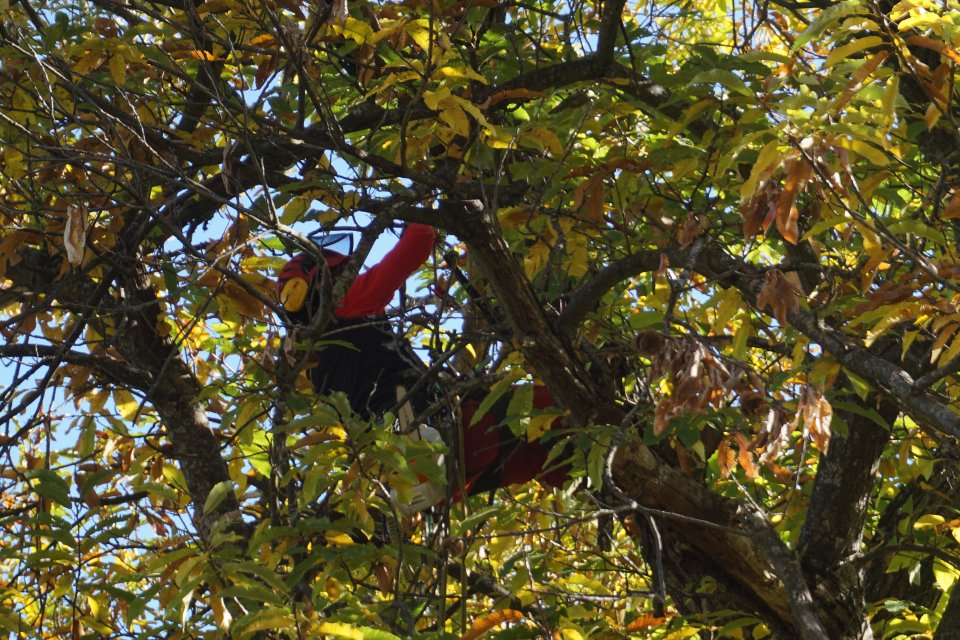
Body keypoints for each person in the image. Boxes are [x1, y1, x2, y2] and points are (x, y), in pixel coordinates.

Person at [276, 223, 568, 514]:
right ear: (316, 285)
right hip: (450, 429)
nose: (349, 279)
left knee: (555, 460)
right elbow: (416, 245)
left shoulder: (313, 367)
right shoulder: (345, 305)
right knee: (561, 409)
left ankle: (608, 477)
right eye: (340, 275)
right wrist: (421, 209)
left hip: (459, 472)